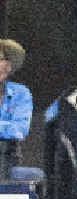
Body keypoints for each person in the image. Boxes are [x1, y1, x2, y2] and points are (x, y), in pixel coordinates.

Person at [0, 39, 31, 178]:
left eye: (2, 60)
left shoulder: (21, 93)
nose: (2, 65)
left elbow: (20, 130)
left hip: (7, 160)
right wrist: (6, 128)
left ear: (9, 66)